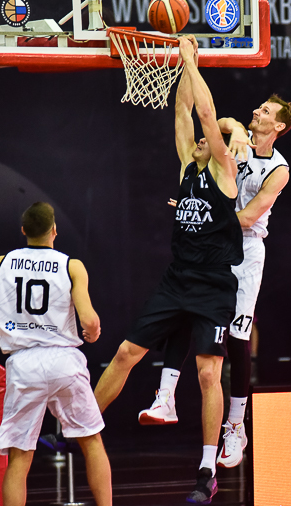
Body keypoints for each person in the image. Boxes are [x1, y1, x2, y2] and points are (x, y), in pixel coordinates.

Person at [92, 36, 242, 504]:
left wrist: (192, 60)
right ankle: (81, 426)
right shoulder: (187, 168)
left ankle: (206, 471)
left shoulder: (225, 171)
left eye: (212, 136)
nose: (201, 137)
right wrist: (180, 63)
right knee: (124, 353)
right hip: (177, 279)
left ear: (222, 146)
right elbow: (183, 111)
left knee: (208, 376)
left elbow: (205, 114)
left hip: (214, 285)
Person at [137, 89, 291, 469]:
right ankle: (166, 395)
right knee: (186, 309)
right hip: (212, 242)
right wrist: (236, 128)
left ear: (278, 126)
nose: (257, 110)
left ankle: (236, 426)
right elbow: (216, 123)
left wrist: (203, 211)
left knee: (238, 339)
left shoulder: (279, 170)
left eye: (266, 111)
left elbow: (248, 217)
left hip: (245, 249)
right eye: (259, 107)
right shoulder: (237, 139)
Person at [0, 202, 111, 506]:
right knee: (92, 442)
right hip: (64, 361)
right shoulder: (71, 266)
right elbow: (88, 319)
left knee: (20, 457)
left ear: (23, 231)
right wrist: (93, 331)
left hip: (23, 364)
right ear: (54, 230)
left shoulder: (2, 263)